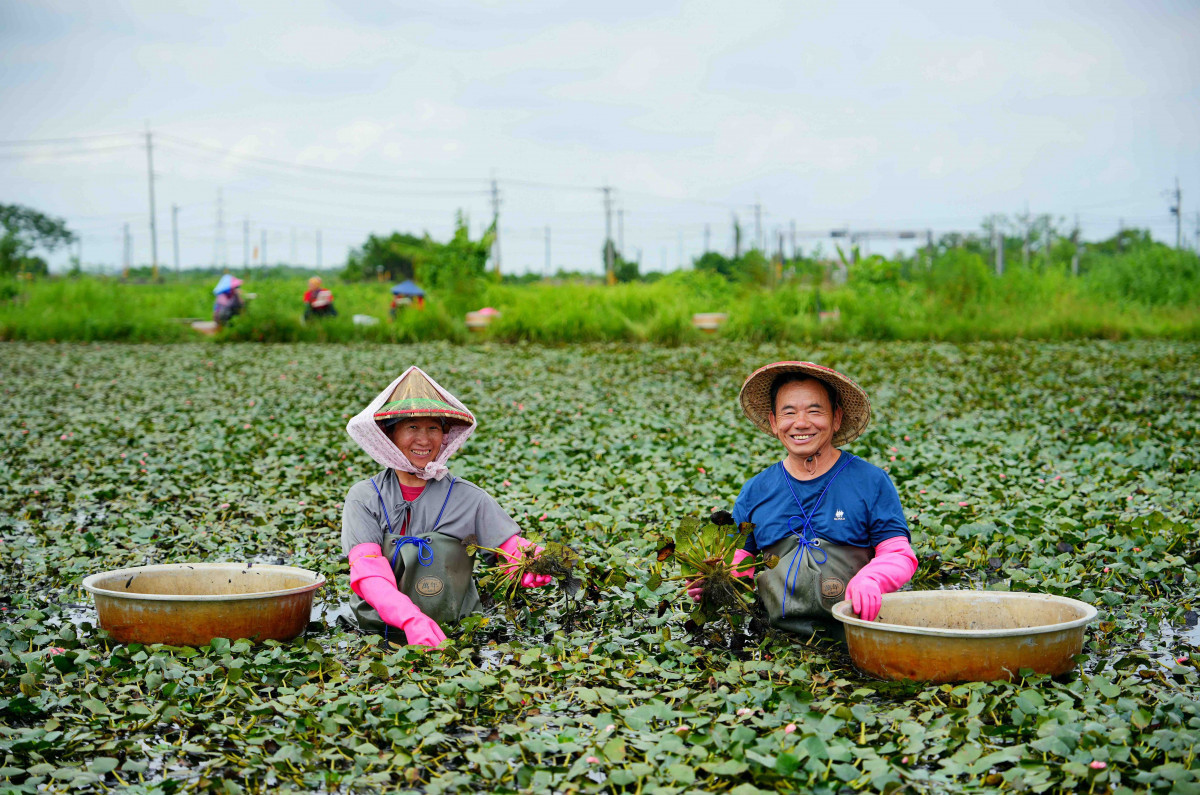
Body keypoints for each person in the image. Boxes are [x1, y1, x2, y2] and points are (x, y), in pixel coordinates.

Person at [694, 361, 918, 637]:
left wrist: (872, 579)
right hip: (777, 645)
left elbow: (899, 554)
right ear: (774, 422)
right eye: (789, 413)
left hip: (857, 636)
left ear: (836, 418)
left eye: (815, 411)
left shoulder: (870, 481)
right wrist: (716, 584)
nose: (801, 423)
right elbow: (739, 565)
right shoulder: (756, 491)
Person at [341, 366, 550, 647]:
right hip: (379, 636)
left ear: (445, 435)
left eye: (433, 428)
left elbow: (511, 547)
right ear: (388, 436)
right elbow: (368, 571)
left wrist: (534, 562)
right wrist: (411, 620)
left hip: (458, 636)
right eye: (412, 427)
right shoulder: (365, 497)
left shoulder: (469, 498)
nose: (424, 440)